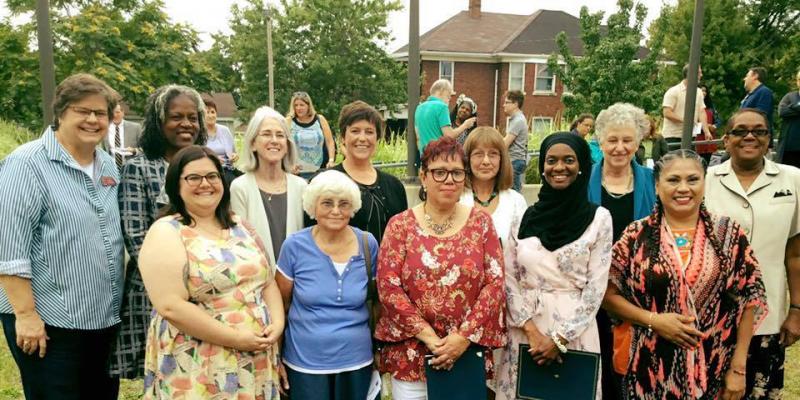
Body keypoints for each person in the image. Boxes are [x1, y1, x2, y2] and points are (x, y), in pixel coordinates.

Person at [603, 149, 769, 399]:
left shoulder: (729, 235)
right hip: (649, 368)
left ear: (704, 183)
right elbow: (607, 293)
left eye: (692, 179)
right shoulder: (637, 236)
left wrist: (737, 368)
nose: (683, 188)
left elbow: (750, 299)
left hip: (716, 364)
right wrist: (654, 320)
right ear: (657, 186)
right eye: (673, 180)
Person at [0, 73, 124, 399]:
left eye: (101, 113)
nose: (93, 119)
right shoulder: (25, 165)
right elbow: (9, 248)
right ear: (61, 112)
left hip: (103, 319)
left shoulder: (109, 167)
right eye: (82, 111)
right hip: (50, 323)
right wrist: (26, 316)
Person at [139, 145, 283, 399]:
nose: (205, 184)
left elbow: (267, 281)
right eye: (193, 177)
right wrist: (236, 338)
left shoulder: (239, 224)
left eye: (212, 176)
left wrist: (277, 325)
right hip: (200, 365)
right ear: (176, 184)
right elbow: (170, 306)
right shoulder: (166, 231)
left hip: (255, 358)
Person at [375, 137, 506, 400]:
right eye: (439, 172)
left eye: (457, 173)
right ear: (423, 177)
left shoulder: (481, 223)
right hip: (413, 355)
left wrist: (462, 337)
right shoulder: (400, 225)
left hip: (466, 354)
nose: (449, 180)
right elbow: (388, 286)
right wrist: (430, 338)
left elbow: (495, 283)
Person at [495, 133, 612, 400]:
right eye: (551, 160)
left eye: (569, 160)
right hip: (525, 332)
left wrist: (559, 340)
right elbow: (509, 277)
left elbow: (596, 288)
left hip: (574, 336)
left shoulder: (599, 219)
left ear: (582, 164)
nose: (559, 167)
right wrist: (531, 331)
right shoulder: (524, 217)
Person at [110, 84, 207, 382]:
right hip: (158, 292)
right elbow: (137, 237)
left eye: (193, 117)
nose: (186, 124)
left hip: (206, 288)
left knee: (202, 374)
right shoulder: (139, 169)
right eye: (176, 116)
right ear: (158, 121)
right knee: (164, 376)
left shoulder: (204, 165)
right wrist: (182, 285)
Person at [704, 108, 800, 398]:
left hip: (767, 315)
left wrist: (796, 310)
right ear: (725, 140)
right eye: (740, 131)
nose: (750, 136)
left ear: (770, 139)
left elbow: (795, 254)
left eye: (759, 131)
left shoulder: (793, 180)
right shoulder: (704, 180)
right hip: (711, 315)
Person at [275, 169, 379, 399]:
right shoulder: (294, 246)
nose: (336, 210)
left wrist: (378, 351)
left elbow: (376, 304)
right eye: (327, 203)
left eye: (343, 204)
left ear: (352, 208)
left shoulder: (367, 243)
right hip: (305, 365)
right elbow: (280, 307)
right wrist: (276, 358)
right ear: (313, 207)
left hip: (357, 362)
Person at [588, 102, 656, 400]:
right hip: (591, 296)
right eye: (612, 140)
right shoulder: (582, 181)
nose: (619, 147)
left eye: (627, 140)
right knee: (597, 372)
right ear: (600, 141)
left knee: (632, 374)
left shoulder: (653, 183)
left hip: (637, 296)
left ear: (638, 141)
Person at [317, 100, 408, 244]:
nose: (362, 138)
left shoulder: (395, 186)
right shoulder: (323, 183)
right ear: (343, 138)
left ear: (377, 138)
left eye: (369, 132)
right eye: (355, 131)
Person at [230, 106, 307, 266]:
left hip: (297, 280)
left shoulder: (301, 186)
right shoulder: (240, 187)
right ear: (252, 144)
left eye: (280, 135)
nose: (274, 140)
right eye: (266, 134)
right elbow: (241, 243)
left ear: (287, 145)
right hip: (258, 280)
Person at [460, 126, 527, 247]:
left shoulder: (516, 202)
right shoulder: (457, 199)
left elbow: (523, 251)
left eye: (493, 154)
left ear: (502, 160)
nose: (486, 161)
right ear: (467, 159)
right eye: (478, 154)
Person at [415, 79, 476, 155]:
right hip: (439, 157)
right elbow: (449, 135)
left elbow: (418, 138)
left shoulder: (419, 108)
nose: (449, 99)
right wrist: (465, 125)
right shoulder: (442, 107)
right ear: (441, 91)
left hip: (425, 157)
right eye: (449, 95)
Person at [287, 91, 335, 179]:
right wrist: (288, 165)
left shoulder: (320, 119)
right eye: (296, 105)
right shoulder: (289, 121)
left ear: (308, 106)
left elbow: (330, 141)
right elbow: (284, 144)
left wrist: (331, 160)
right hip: (297, 171)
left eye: (302, 105)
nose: (299, 108)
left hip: (320, 170)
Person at [661, 64, 710, 150]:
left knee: (689, 161)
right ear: (690, 74)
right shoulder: (673, 91)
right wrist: (686, 121)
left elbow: (701, 112)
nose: (701, 75)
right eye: (699, 73)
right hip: (673, 136)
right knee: (675, 162)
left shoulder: (698, 92)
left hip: (691, 135)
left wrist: (706, 131)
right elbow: (667, 112)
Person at [203, 97, 240, 183]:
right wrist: (213, 159)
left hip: (228, 170)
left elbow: (234, 152)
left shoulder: (225, 130)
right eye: (207, 112)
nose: (210, 115)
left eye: (213, 112)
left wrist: (234, 156)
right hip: (210, 171)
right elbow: (196, 156)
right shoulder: (199, 133)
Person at [503, 90, 529, 192]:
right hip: (515, 160)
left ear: (515, 104)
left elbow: (505, 143)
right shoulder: (517, 119)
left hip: (514, 161)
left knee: (514, 194)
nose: (503, 105)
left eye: (507, 102)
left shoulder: (518, 120)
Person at [104, 103, 142, 170]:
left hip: (131, 169)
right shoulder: (103, 128)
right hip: (109, 169)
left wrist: (134, 151)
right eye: (112, 113)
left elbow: (146, 149)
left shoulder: (135, 128)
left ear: (123, 113)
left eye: (117, 112)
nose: (115, 115)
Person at [741, 67, 775, 136]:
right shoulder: (750, 95)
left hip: (758, 138)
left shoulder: (764, 92)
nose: (744, 79)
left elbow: (760, 116)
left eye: (747, 76)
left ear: (755, 76)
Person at [778, 70, 800, 168]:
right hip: (789, 147)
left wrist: (792, 107)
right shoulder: (789, 96)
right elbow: (782, 112)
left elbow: (788, 110)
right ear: (797, 81)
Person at [696, 84, 720, 164]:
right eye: (701, 90)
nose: (703, 92)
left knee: (707, 163)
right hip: (697, 140)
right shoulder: (693, 106)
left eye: (705, 91)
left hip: (709, 140)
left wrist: (714, 126)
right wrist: (704, 126)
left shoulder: (711, 107)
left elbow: (718, 120)